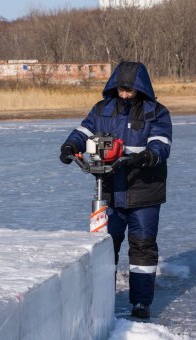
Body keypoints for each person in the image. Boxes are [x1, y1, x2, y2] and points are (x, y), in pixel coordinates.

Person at [59, 61, 172, 319]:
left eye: (129, 90)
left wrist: (142, 158)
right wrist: (69, 147)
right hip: (107, 190)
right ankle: (103, 298)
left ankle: (141, 303)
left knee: (142, 248)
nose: (124, 94)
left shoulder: (157, 113)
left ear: (140, 89)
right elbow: (83, 130)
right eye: (121, 89)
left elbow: (161, 145)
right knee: (104, 247)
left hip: (145, 192)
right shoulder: (102, 109)